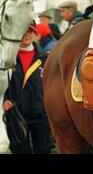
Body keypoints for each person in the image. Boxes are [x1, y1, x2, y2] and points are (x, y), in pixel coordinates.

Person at [2, 22, 53, 154]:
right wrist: (5, 99)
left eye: (29, 32)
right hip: (16, 114)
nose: (25, 35)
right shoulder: (6, 58)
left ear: (35, 34)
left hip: (41, 115)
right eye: (22, 32)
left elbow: (52, 86)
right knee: (19, 151)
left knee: (44, 151)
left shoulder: (46, 58)